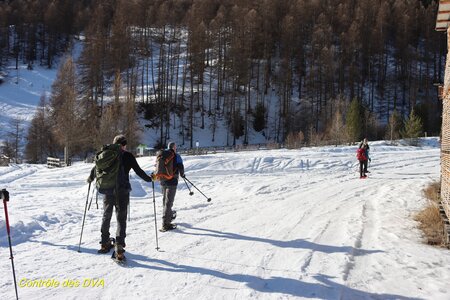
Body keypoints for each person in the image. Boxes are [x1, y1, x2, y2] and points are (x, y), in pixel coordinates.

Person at [87, 134, 152, 260]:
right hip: (122, 191)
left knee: (106, 215)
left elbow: (96, 169)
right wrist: (150, 179)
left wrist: (90, 179)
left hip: (108, 190)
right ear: (124, 145)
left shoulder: (106, 154)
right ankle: (119, 247)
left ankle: (105, 243)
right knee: (121, 218)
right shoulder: (128, 156)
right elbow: (138, 171)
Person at [157, 141, 185, 231]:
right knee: (169, 203)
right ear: (174, 147)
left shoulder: (162, 155)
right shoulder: (176, 156)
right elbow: (181, 167)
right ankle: (165, 224)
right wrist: (182, 174)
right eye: (175, 147)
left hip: (162, 181)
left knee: (165, 200)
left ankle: (168, 217)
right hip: (172, 181)